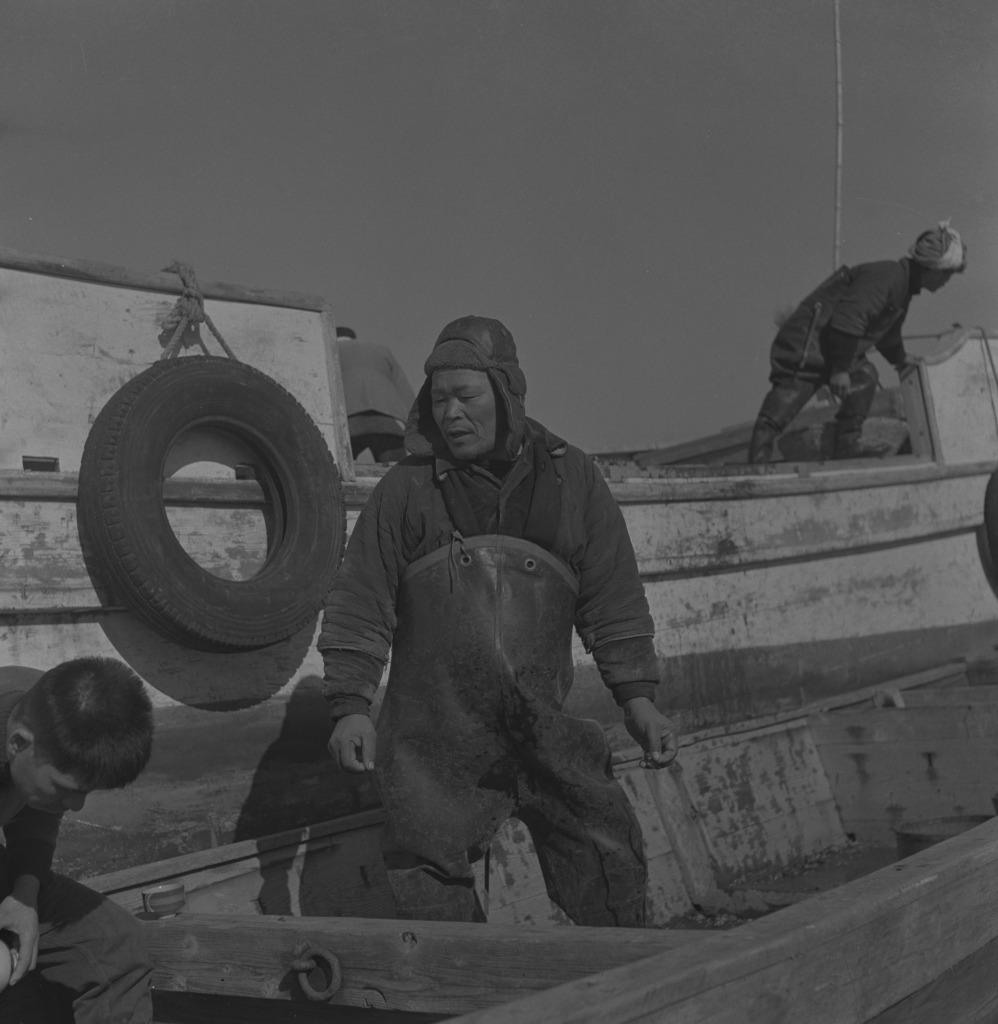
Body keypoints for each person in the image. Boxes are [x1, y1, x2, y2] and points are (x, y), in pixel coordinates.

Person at [319, 315, 678, 928]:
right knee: (425, 872)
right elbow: (361, 599)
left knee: (607, 851)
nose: (451, 414)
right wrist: (350, 706)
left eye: (466, 396)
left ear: (507, 394)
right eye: (439, 400)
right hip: (435, 740)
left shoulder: (573, 477)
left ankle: (622, 970)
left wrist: (638, 699)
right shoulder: (405, 489)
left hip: (544, 725)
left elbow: (612, 596)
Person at [0, 656, 155, 1022]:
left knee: (117, 946)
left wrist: (24, 895)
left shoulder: (52, 710)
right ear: (18, 743)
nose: (76, 806)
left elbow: (35, 815)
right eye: (65, 788)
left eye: (85, 791)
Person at [748, 220, 967, 463]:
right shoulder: (889, 276)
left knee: (865, 376)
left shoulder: (902, 287)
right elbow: (849, 318)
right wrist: (840, 370)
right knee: (786, 399)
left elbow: (888, 334)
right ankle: (757, 462)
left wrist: (901, 360)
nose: (947, 280)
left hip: (832, 345)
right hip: (809, 343)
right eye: (947, 273)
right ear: (934, 268)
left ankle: (847, 445)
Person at [336, 326, 416, 463]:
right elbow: (404, 389)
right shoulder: (381, 350)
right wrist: (415, 425)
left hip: (349, 421)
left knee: (338, 470)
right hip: (388, 422)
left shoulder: (331, 350)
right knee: (396, 471)